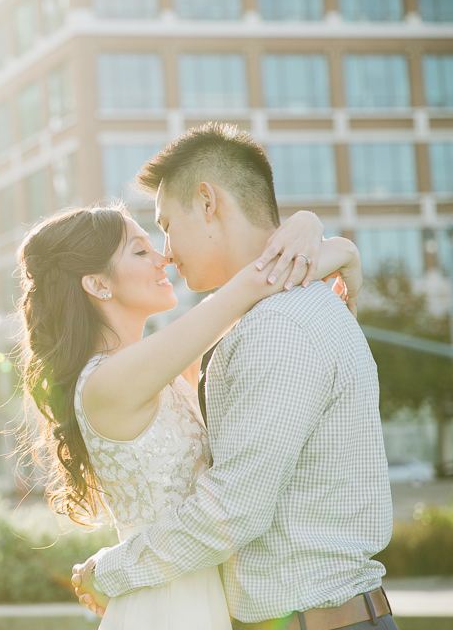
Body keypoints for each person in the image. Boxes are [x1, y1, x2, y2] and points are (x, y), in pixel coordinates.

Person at [66, 123, 393, 629]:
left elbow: (235, 508)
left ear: (207, 202)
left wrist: (108, 571)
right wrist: (336, 246)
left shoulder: (279, 326)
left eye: (167, 225)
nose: (166, 251)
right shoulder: (270, 317)